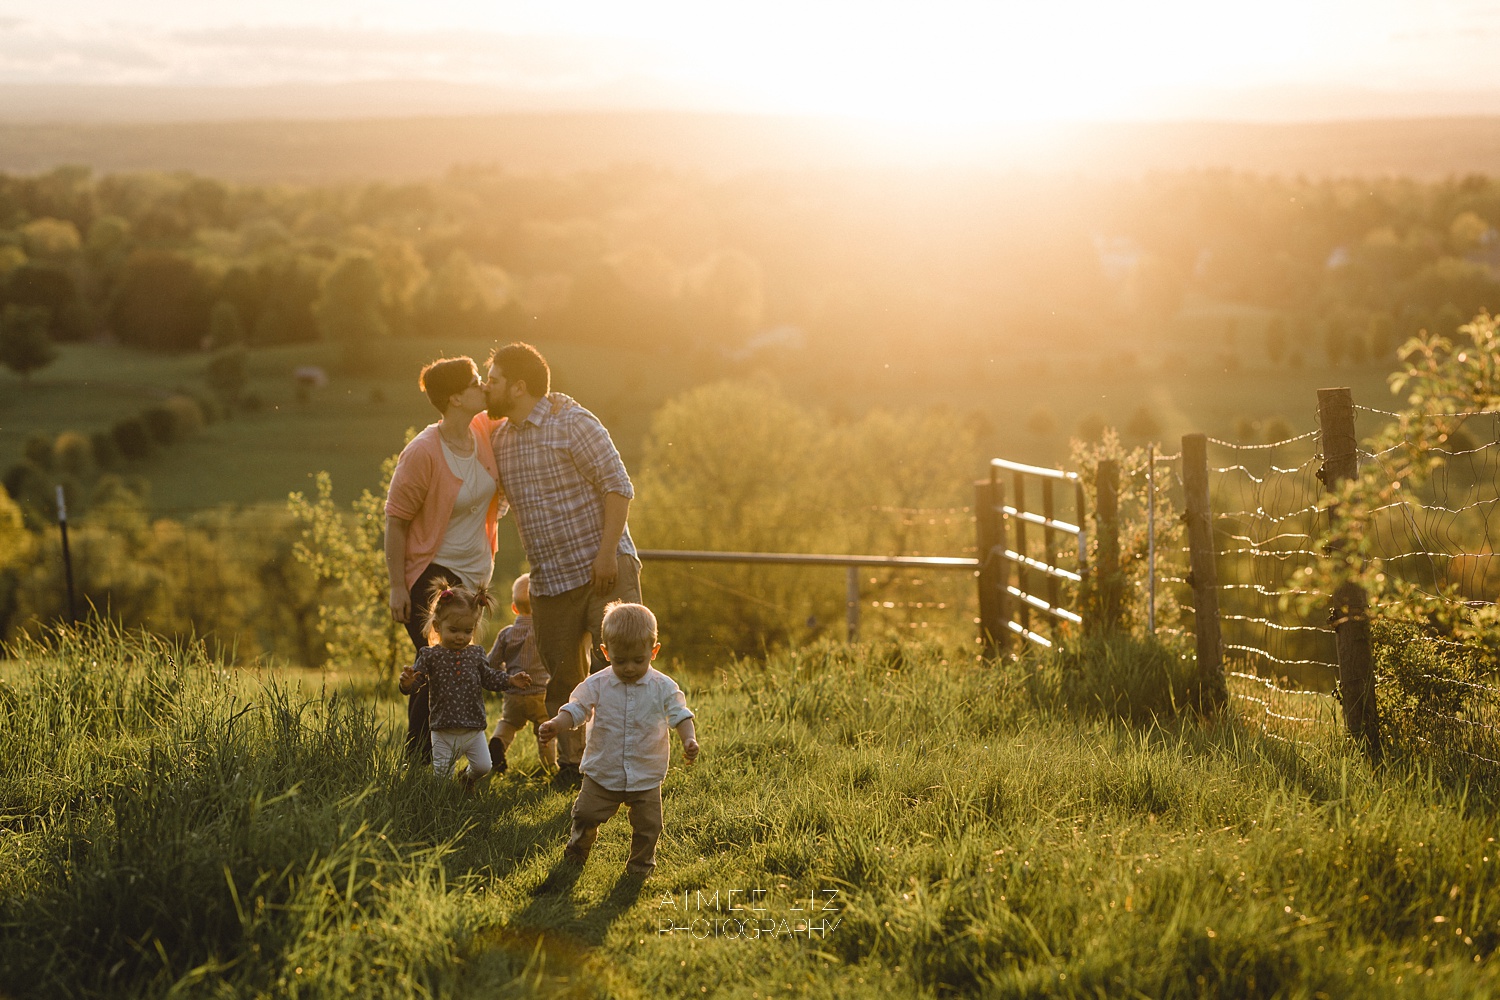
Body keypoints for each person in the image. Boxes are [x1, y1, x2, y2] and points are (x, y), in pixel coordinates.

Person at [485, 342, 641, 786]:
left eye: (493, 380)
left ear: (518, 386)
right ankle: (572, 768)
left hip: (602, 567)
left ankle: (625, 765)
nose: (486, 387)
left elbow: (618, 487)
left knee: (618, 669)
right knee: (562, 679)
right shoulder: (499, 439)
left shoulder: (573, 422)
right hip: (550, 580)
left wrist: (608, 552)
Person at [385, 356, 505, 763]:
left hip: (474, 576)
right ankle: (418, 764)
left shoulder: (482, 429)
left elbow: (521, 415)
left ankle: (451, 759)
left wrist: (556, 402)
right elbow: (396, 521)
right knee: (434, 669)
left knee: (459, 673)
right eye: (475, 382)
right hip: (431, 577)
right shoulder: (422, 452)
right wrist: (398, 586)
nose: (483, 387)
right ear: (455, 398)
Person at [538, 601, 698, 875]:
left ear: (654, 651)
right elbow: (577, 708)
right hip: (603, 770)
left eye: (639, 660)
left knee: (649, 826)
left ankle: (640, 866)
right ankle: (578, 849)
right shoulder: (597, 684)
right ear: (605, 652)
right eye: (620, 661)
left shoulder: (663, 687)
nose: (629, 668)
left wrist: (688, 740)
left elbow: (680, 715)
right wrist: (557, 723)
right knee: (585, 814)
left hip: (646, 773)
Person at [398, 581, 530, 787]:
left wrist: (510, 680)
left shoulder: (475, 654)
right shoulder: (430, 656)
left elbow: (488, 678)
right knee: (442, 778)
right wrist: (407, 684)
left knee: (483, 767)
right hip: (443, 728)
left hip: (473, 726)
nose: (461, 637)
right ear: (437, 626)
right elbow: (416, 685)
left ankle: (466, 779)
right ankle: (443, 808)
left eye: (467, 631)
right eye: (454, 630)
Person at [485, 573, 556, 774]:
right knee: (545, 728)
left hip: (513, 693)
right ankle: (549, 766)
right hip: (540, 693)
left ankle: (497, 744)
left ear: (514, 608)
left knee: (508, 723)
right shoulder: (546, 632)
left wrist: (505, 679)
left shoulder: (506, 633)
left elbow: (491, 663)